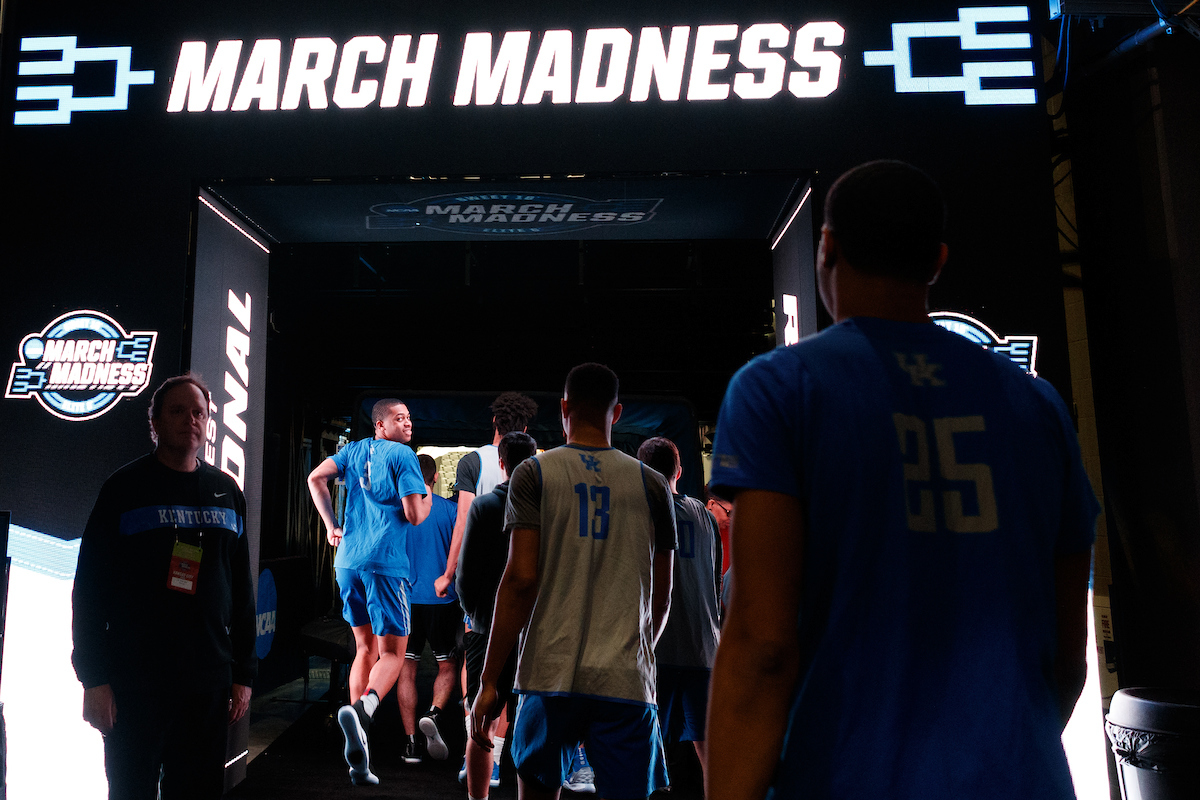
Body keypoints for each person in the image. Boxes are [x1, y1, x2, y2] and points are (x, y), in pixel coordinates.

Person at [706, 160, 1100, 800]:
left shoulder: (780, 390)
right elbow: (1066, 657)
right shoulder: (1038, 407)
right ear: (937, 261)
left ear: (826, 247)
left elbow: (762, 646)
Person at [471, 362, 677, 800]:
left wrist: (489, 681)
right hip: (626, 679)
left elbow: (520, 580)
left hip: (548, 673)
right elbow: (662, 598)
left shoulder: (533, 474)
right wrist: (636, 652)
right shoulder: (654, 485)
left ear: (564, 408)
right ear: (616, 413)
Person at [72, 373, 256, 800]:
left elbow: (242, 592)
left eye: (199, 413)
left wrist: (243, 674)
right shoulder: (124, 489)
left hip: (207, 684)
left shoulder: (226, 491)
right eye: (178, 411)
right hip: (135, 683)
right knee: (131, 790)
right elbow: (89, 591)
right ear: (154, 422)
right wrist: (93, 679)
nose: (191, 420)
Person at [307, 398, 432, 786]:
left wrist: (331, 525)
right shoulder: (404, 455)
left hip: (347, 562)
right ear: (380, 425)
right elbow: (414, 515)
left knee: (364, 649)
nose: (407, 423)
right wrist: (427, 495)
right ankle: (364, 710)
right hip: (384, 563)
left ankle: (358, 744)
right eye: (399, 418)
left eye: (409, 418)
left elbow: (315, 478)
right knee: (393, 653)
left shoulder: (353, 451)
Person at [456, 430, 537, 800]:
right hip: (535, 631)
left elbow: (465, 575)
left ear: (501, 463)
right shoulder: (548, 508)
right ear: (533, 462)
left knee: (481, 721)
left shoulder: (485, 506)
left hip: (487, 629)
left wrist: (475, 616)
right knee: (535, 725)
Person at [637, 437, 721, 779]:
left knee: (642, 745)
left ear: (641, 471)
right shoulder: (705, 515)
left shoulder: (641, 512)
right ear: (680, 471)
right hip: (704, 647)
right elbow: (714, 581)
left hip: (659, 646)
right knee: (710, 748)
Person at [436, 392, 539, 599]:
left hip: (482, 567)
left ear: (494, 421)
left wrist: (448, 574)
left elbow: (463, 520)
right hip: (521, 564)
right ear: (524, 430)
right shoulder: (535, 465)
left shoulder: (472, 461)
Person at [398, 454, 461, 764]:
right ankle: (433, 713)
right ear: (435, 477)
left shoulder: (400, 510)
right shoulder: (451, 511)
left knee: (405, 668)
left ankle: (411, 744)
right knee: (447, 665)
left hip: (404, 600)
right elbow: (460, 555)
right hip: (441, 599)